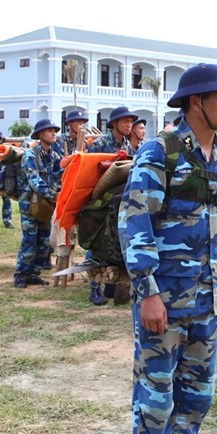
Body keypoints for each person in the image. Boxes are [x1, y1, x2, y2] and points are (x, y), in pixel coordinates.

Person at [118, 63, 217, 434]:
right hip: (166, 297)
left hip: (208, 297)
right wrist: (148, 291)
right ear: (196, 102)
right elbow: (135, 222)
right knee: (156, 391)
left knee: (198, 391)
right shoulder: (161, 151)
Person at [88, 106, 137, 304]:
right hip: (98, 203)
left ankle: (111, 284)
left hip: (118, 203)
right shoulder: (99, 144)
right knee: (95, 243)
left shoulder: (128, 145)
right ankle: (94, 288)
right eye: (125, 121)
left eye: (131, 121)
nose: (129, 124)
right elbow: (89, 173)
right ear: (114, 123)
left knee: (114, 242)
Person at [14, 119, 63, 288]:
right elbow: (34, 180)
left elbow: (60, 176)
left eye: (54, 130)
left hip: (46, 203)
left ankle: (34, 274)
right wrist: (53, 194)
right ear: (40, 134)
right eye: (49, 131)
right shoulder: (30, 155)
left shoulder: (54, 156)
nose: (53, 133)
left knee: (44, 240)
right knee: (30, 239)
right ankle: (21, 274)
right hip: (30, 202)